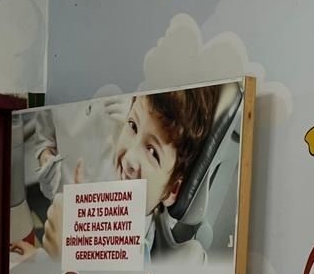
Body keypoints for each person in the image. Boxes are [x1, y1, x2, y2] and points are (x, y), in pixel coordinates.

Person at [37, 89, 221, 261]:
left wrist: (64, 257)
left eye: (153, 152)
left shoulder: (134, 254)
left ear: (172, 189)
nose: (129, 159)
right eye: (132, 126)